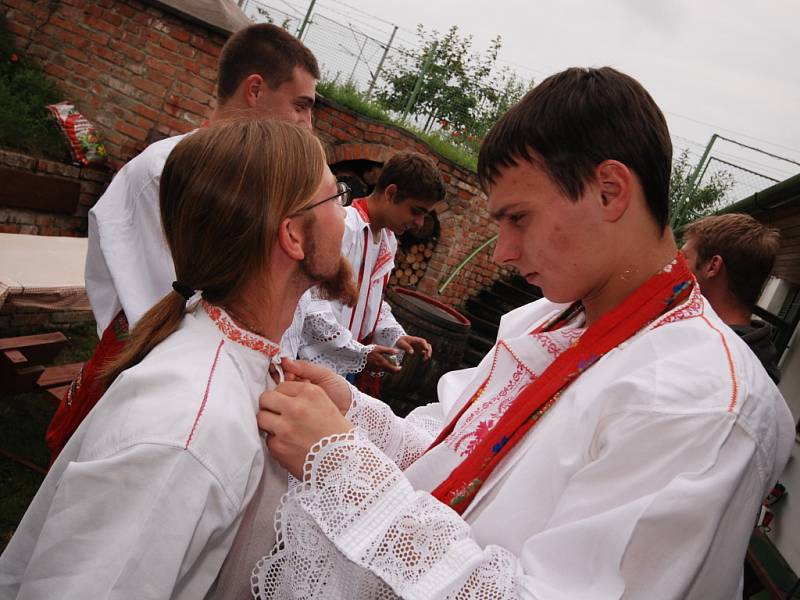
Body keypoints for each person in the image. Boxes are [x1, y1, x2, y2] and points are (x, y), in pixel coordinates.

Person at [251, 67, 795, 599]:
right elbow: (451, 453)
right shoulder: (547, 318)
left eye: (519, 219)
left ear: (609, 191)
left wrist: (344, 468)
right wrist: (350, 411)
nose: (506, 253)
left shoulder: (698, 402)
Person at [0, 120, 355, 598]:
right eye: (336, 197)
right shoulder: (188, 429)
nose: (346, 215)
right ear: (292, 236)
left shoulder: (230, 361)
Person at [45, 23, 320, 460]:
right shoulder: (166, 170)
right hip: (156, 380)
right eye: (301, 106)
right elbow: (161, 302)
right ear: (254, 90)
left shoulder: (248, 181)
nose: (308, 124)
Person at [297, 152, 443, 385]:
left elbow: (370, 302)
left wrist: (396, 335)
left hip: (343, 367)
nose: (419, 223)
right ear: (391, 193)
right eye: (416, 211)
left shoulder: (388, 240)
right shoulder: (344, 226)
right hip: (307, 361)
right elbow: (310, 302)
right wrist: (359, 352)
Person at [682, 213, 782, 382]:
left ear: (712, 266)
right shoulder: (752, 362)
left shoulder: (715, 367)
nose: (675, 265)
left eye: (684, 257)